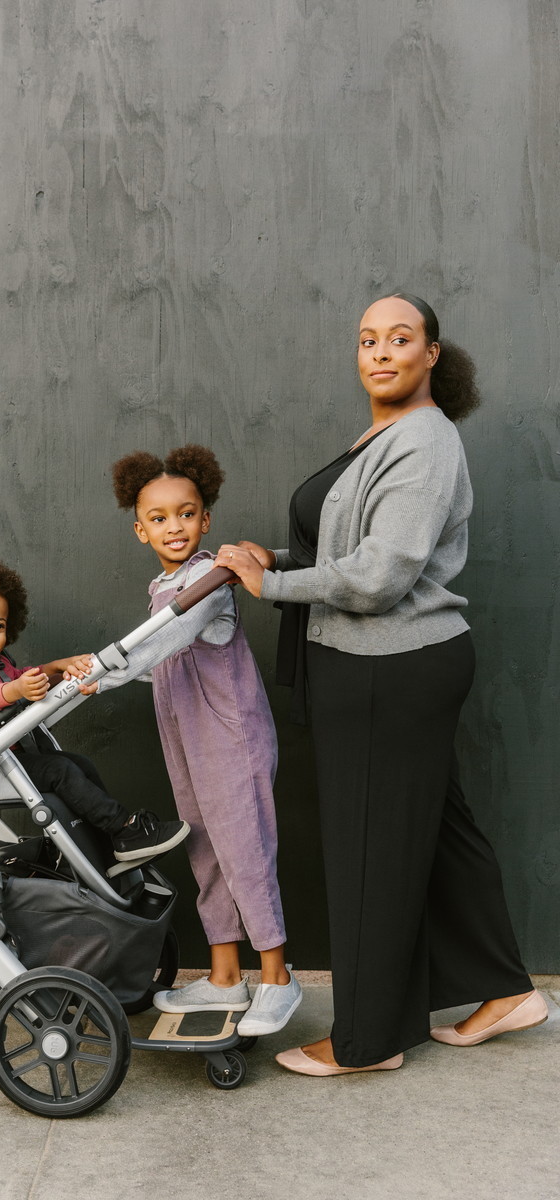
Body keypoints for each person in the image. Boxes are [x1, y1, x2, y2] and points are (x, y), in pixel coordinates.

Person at [214, 293, 547, 1074]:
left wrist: (274, 588)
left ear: (432, 354)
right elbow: (358, 548)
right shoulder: (389, 434)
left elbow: (380, 577)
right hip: (394, 665)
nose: (381, 352)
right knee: (438, 837)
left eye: (400, 338)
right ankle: (508, 991)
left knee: (370, 850)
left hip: (388, 668)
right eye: (368, 340)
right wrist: (278, 562)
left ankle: (366, 1042)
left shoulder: (424, 441)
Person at [80, 445, 300, 1038]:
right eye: (158, 518)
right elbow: (164, 662)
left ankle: (277, 977)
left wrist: (100, 672)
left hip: (230, 736)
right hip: (186, 737)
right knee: (205, 849)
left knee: (245, 850)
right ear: (140, 529)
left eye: (185, 513)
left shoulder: (209, 579)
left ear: (205, 519)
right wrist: (98, 675)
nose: (173, 526)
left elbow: (162, 642)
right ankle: (225, 976)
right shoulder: (163, 584)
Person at [0, 555, 189, 864]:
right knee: (60, 771)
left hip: (16, 758)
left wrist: (55, 668)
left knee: (79, 764)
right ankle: (123, 829)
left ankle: (111, 843)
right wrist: (16, 690)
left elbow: (24, 677)